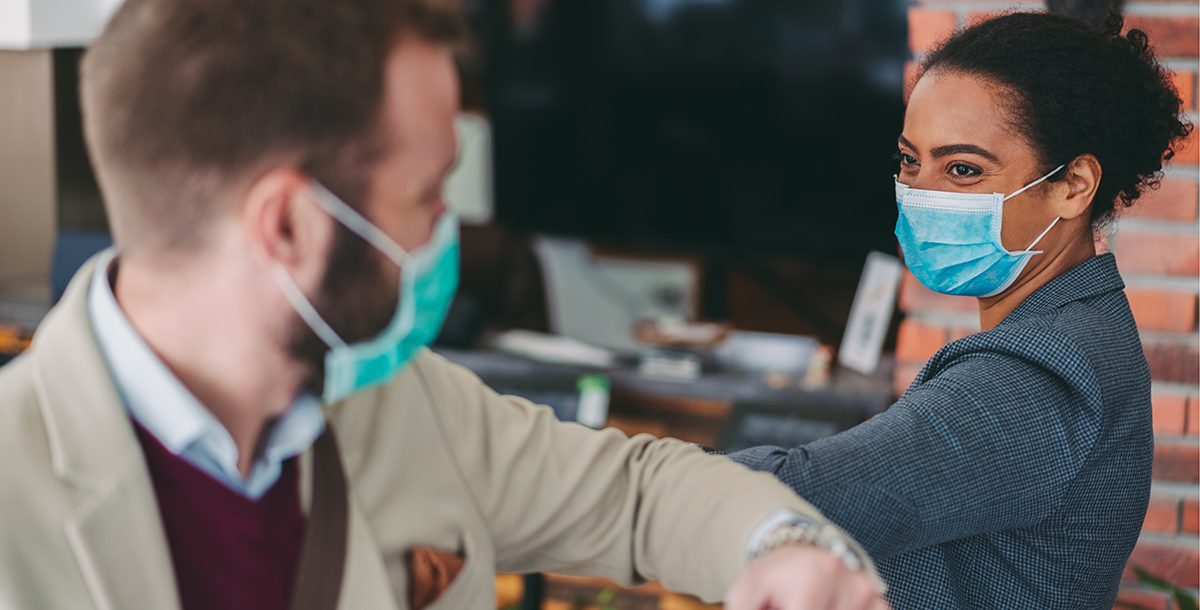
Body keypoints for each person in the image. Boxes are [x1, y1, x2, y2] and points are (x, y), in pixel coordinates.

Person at [0, 1, 890, 609]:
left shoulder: (408, 407)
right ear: (289, 225)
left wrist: (784, 547)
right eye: (427, 194)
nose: (451, 229)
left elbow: (636, 495)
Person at [729, 11, 1193, 610]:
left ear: (1073, 185)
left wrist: (609, 477)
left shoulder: (1040, 375)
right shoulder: (1080, 325)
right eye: (910, 160)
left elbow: (812, 494)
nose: (923, 191)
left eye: (964, 169)